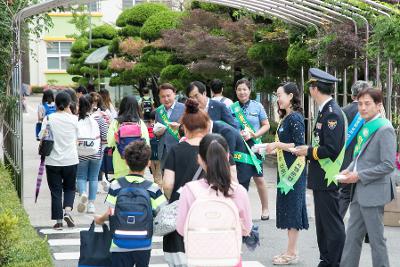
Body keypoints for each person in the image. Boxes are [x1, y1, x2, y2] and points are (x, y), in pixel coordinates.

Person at [293, 68, 346, 267]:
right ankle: (326, 259)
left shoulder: (332, 114)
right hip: (320, 176)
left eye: (311, 86)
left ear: (315, 88)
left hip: (327, 176)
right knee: (323, 225)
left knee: (331, 225)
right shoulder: (325, 111)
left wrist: (308, 151)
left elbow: (331, 149)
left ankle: (333, 262)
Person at [339, 88, 396, 267]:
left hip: (374, 192)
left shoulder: (385, 129)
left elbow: (388, 165)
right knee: (352, 237)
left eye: (367, 103)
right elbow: (358, 157)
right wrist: (348, 170)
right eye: (360, 103)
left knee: (376, 241)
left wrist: (358, 176)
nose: (362, 108)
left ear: (378, 106)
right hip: (359, 191)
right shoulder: (366, 125)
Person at [176, 133, 253, 266]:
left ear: (199, 159)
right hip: (230, 259)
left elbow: (181, 229)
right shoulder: (239, 191)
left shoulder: (189, 190)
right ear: (228, 156)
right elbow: (247, 229)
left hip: (199, 258)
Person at [95, 140, 167, 267]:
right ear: (148, 164)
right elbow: (162, 213)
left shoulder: (116, 184)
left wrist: (100, 219)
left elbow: (111, 211)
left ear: (126, 161)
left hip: (119, 242)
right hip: (143, 243)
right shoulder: (153, 188)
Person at [263, 83, 309, 265]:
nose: (277, 98)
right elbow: (287, 145)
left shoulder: (295, 118)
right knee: (289, 208)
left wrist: (277, 145)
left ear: (290, 96)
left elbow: (299, 146)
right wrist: (273, 149)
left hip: (294, 172)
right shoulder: (286, 118)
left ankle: (291, 253)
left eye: (279, 94)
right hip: (285, 169)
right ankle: (291, 250)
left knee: (293, 209)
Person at [162, 99, 210, 267]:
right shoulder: (217, 149)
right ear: (206, 127)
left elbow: (167, 184)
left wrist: (172, 199)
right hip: (208, 216)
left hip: (180, 214)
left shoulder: (176, 150)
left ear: (185, 128)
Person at [39, 91, 78, 229]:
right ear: (69, 104)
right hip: (71, 160)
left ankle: (59, 221)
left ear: (55, 104)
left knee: (56, 191)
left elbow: (41, 136)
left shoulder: (49, 118)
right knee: (70, 187)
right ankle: (67, 211)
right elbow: (78, 138)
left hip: (53, 161)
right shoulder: (74, 119)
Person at [232, 78, 270, 220]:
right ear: (236, 91)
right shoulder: (232, 108)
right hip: (238, 149)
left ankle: (265, 209)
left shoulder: (257, 106)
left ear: (249, 90)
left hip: (254, 148)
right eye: (239, 89)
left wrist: (255, 134)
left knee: (259, 179)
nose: (242, 92)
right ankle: (239, 211)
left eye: (245, 89)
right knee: (240, 181)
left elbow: (266, 125)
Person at [339, 81, 370, 218]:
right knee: (366, 196)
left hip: (345, 161)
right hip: (366, 162)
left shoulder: (342, 111)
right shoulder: (370, 112)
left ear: (352, 96)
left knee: (344, 195)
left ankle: (336, 226)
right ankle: (369, 232)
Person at [76, 95, 108, 214]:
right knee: (94, 178)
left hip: (80, 153)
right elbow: (105, 136)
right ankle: (91, 205)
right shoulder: (99, 118)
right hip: (96, 152)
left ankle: (83, 193)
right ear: (91, 105)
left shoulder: (76, 119)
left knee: (81, 177)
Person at [107, 95, 149, 178]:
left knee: (120, 187)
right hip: (138, 164)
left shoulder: (115, 123)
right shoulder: (140, 123)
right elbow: (146, 143)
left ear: (122, 106)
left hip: (119, 161)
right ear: (137, 107)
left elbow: (110, 143)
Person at [155, 83, 185, 170]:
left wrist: (179, 127)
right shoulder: (158, 111)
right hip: (163, 151)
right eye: (163, 96)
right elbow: (156, 131)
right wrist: (157, 133)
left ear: (174, 94)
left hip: (180, 150)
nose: (166, 99)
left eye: (168, 95)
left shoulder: (184, 108)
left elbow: (191, 129)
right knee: (165, 179)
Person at [147, 110, 162, 188]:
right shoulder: (149, 129)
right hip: (154, 157)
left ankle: (158, 194)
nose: (153, 121)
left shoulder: (161, 128)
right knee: (156, 177)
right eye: (152, 119)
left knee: (157, 177)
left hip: (156, 156)